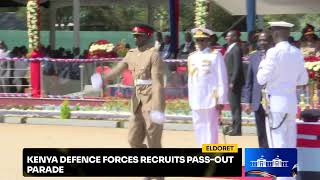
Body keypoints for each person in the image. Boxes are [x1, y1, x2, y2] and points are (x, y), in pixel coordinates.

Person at [91, 24, 165, 145]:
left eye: (139, 36)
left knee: (153, 140)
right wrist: (102, 78)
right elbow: (117, 70)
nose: (136, 38)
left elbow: (157, 83)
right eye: (135, 36)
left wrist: (157, 108)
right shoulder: (131, 54)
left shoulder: (154, 55)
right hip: (137, 101)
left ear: (147, 36)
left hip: (151, 99)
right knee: (133, 139)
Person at [257, 21, 308, 151]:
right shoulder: (297, 52)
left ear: (276, 33)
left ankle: (280, 171)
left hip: (276, 102)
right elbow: (303, 80)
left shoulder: (273, 52)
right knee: (290, 141)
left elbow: (261, 79)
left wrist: (262, 64)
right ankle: (290, 171)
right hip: (291, 102)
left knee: (278, 141)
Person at [188, 27, 228, 146]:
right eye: (198, 40)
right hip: (196, 98)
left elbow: (222, 79)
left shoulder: (215, 56)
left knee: (210, 128)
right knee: (198, 127)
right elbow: (191, 81)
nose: (200, 43)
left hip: (211, 98)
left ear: (207, 40)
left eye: (202, 40)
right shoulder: (192, 57)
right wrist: (190, 98)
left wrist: (221, 99)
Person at [243, 31, 273, 148]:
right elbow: (249, 81)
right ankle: (264, 157)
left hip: (272, 100)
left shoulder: (275, 55)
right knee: (261, 132)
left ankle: (275, 156)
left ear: (270, 41)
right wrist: (247, 101)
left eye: (264, 40)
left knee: (273, 131)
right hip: (257, 101)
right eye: (260, 40)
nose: (262, 43)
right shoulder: (253, 56)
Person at [224, 30, 245, 136]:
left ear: (234, 37)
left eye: (229, 36)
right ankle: (235, 127)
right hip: (231, 81)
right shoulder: (231, 48)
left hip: (234, 83)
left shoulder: (236, 49)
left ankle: (237, 129)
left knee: (235, 106)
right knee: (233, 106)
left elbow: (237, 66)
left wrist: (232, 81)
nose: (226, 38)